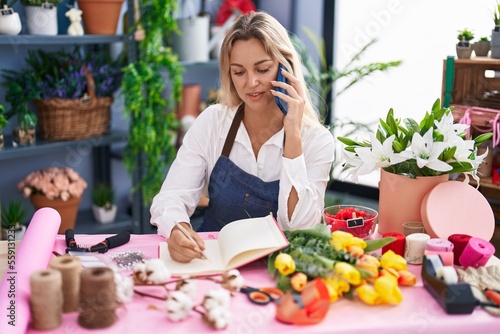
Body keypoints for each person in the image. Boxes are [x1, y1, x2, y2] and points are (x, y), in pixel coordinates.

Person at [150, 11, 335, 263]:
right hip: (212, 263)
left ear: (286, 69)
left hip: (278, 271)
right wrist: (176, 228)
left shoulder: (317, 141)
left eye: (263, 69)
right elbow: (171, 196)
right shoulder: (213, 122)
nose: (251, 82)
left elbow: (299, 226)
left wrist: (292, 133)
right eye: (239, 72)